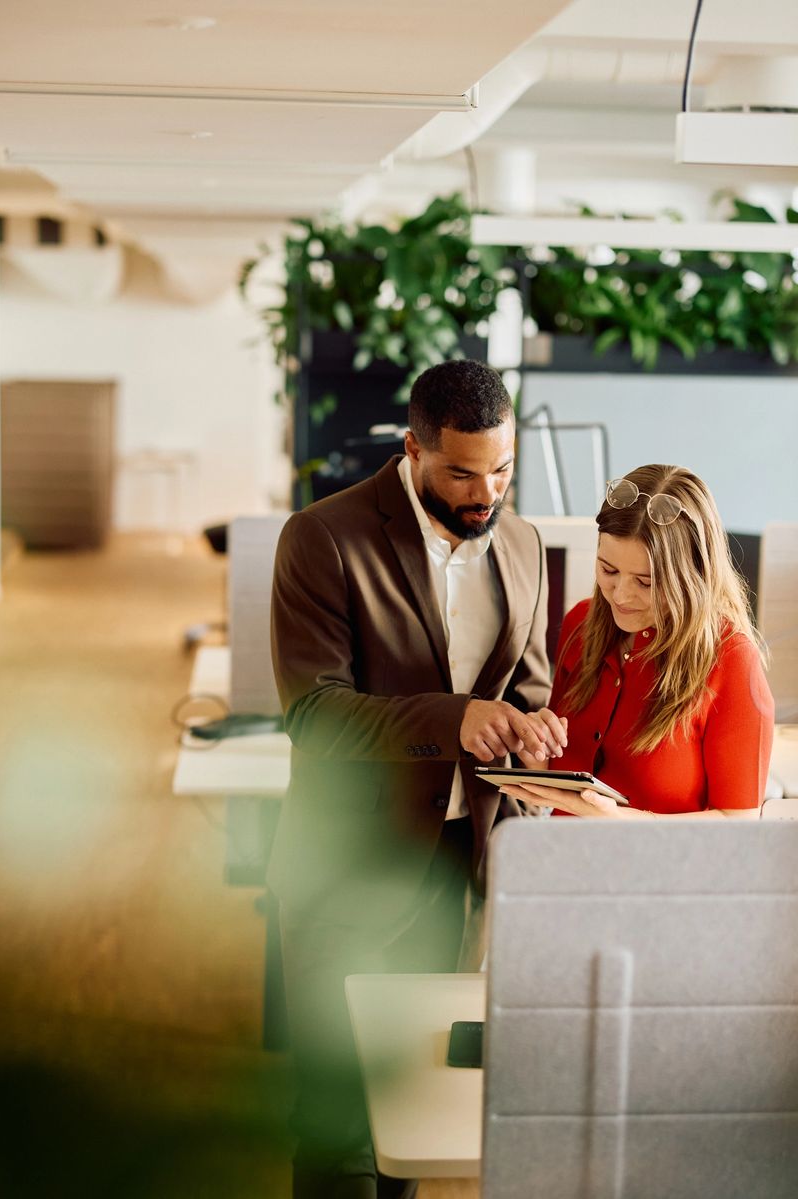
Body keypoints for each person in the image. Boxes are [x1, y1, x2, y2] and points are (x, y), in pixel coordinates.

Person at [267, 359, 567, 1199]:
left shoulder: (524, 543)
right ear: (413, 449)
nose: (486, 492)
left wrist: (532, 735)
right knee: (335, 1122)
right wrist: (454, 718)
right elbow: (315, 716)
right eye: (463, 472)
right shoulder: (322, 537)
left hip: (460, 868)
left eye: (503, 469)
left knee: (414, 1115)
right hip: (346, 868)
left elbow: (528, 692)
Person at [498, 464, 774, 821]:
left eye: (646, 582)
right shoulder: (580, 625)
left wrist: (618, 821)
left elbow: (738, 824)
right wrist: (537, 758)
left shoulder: (732, 658)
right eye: (608, 570)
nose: (621, 596)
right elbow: (562, 786)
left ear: (692, 576)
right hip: (563, 864)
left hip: (660, 875)